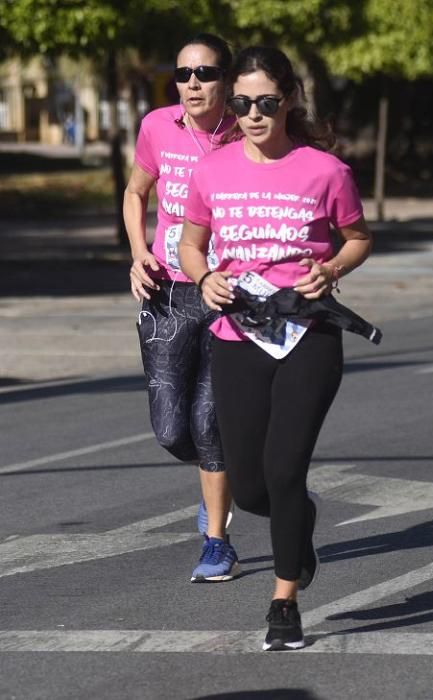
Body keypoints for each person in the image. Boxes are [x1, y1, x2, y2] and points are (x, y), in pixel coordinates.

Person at [178, 46, 373, 651]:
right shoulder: (214, 170)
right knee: (255, 485)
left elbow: (358, 237)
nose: (255, 114)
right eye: (242, 103)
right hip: (237, 336)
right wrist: (203, 277)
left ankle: (283, 602)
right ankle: (300, 522)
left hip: (307, 336)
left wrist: (333, 267)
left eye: (266, 102)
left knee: (286, 470)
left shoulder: (324, 170)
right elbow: (191, 244)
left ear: (287, 99)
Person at [122, 33, 240, 581]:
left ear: (228, 79)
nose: (192, 83)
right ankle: (216, 479)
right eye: (184, 73)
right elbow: (135, 192)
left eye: (206, 73)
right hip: (166, 293)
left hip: (227, 294)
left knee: (209, 421)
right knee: (172, 430)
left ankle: (216, 539)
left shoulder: (247, 129)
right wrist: (139, 251)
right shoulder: (157, 126)